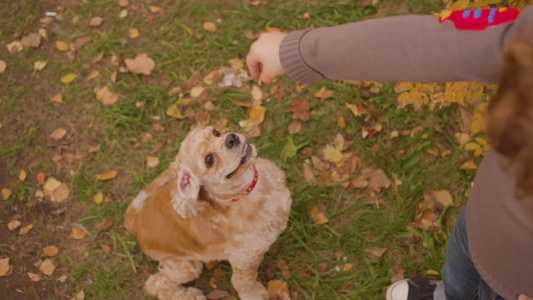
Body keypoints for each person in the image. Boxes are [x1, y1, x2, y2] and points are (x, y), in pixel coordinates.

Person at [246, 5, 533, 300]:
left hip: (517, 280)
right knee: (458, 270)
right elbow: (442, 41)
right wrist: (296, 51)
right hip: (483, 216)